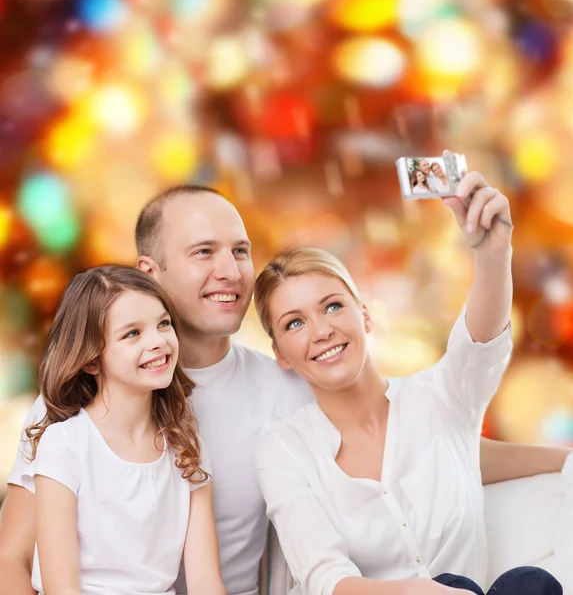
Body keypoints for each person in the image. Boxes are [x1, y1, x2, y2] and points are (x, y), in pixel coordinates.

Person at [1, 184, 571, 595]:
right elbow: (10, 564)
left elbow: (422, 447)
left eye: (240, 250)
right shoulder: (73, 406)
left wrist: (561, 459)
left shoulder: (289, 386)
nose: (230, 269)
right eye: (204, 252)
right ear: (150, 272)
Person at [252, 172, 567, 595]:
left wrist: (493, 254)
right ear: (280, 354)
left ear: (364, 315)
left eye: (332, 306)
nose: (321, 330)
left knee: (529, 585)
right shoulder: (284, 448)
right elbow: (325, 578)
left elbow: (480, 342)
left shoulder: (439, 400)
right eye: (295, 323)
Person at [21, 265, 224, 595]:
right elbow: (63, 589)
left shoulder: (186, 445)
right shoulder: (65, 445)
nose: (158, 341)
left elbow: (206, 582)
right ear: (91, 360)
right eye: (132, 333)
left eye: (163, 324)